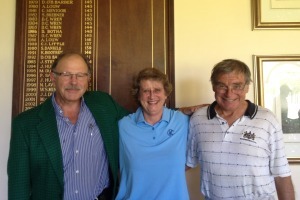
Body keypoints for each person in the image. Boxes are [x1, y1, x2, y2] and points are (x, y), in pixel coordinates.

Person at [7, 52, 129, 200]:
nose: (74, 81)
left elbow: (138, 124)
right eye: (66, 74)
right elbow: (18, 186)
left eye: (80, 75)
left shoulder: (105, 105)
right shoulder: (25, 124)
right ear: (53, 77)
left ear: (88, 78)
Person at [186, 59, 295, 199]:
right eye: (222, 86)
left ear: (247, 87)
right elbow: (185, 162)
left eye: (237, 86)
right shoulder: (198, 118)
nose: (229, 94)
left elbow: (281, 175)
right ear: (213, 86)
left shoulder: (267, 120)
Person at [115, 68, 190, 199]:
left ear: (166, 94)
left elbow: (215, 112)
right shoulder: (123, 126)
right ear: (138, 95)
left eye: (157, 90)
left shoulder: (182, 121)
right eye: (145, 91)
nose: (152, 96)